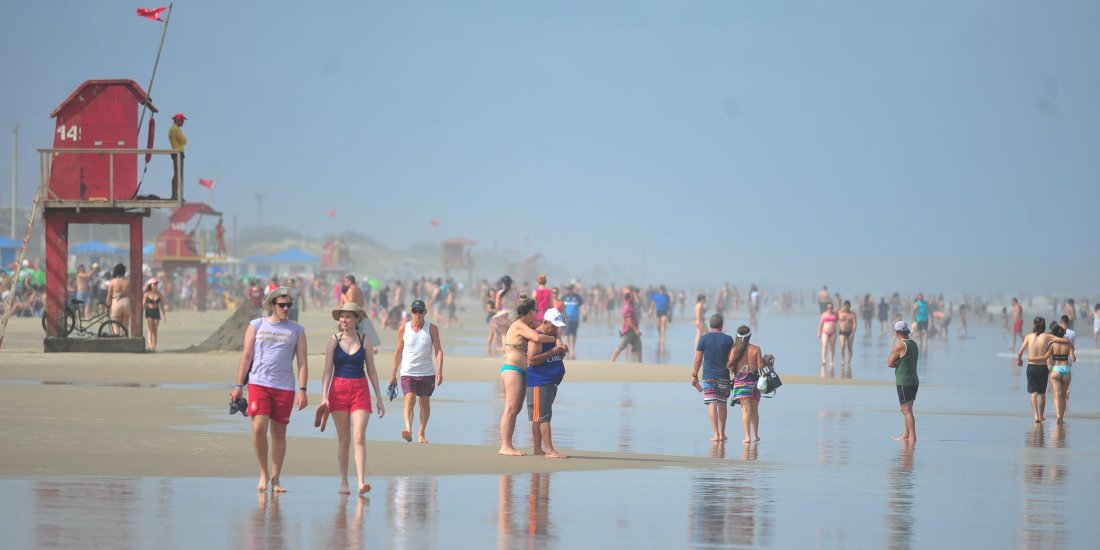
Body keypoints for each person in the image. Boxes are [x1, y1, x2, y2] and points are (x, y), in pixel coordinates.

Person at [228, 287, 309, 492]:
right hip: (258, 382)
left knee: (279, 433)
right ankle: (263, 473)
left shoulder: (297, 330)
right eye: (281, 305)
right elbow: (246, 356)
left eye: (289, 305)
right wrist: (238, 385)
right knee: (258, 428)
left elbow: (302, 362)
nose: (285, 308)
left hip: (285, 387)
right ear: (272, 305)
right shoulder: (257, 325)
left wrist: (303, 389)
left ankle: (276, 479)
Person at [320, 302, 385, 495]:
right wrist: (324, 396)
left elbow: (372, 371)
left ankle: (361, 482)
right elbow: (327, 370)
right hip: (338, 390)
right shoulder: (333, 340)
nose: (344, 320)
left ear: (357, 319)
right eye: (342, 316)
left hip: (360, 390)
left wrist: (379, 398)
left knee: (358, 436)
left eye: (348, 316)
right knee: (344, 439)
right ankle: (344, 482)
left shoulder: (365, 340)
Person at [499, 294, 556, 456]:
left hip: (523, 371)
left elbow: (545, 328)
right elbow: (537, 337)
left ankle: (509, 444)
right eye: (535, 311)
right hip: (512, 369)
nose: (537, 314)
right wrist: (553, 339)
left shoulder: (530, 324)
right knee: (510, 408)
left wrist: (554, 335)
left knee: (516, 409)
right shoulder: (518, 325)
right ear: (530, 312)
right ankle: (505, 446)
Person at [389, 300, 443, 443]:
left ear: (425, 312)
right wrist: (393, 374)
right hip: (407, 372)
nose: (417, 314)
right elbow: (398, 352)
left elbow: (438, 351)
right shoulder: (403, 328)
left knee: (424, 403)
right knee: (409, 399)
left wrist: (439, 371)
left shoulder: (432, 329)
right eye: (415, 311)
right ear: (411, 312)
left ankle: (421, 433)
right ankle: (408, 429)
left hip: (427, 373)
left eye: (420, 311)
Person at [526, 307, 570, 458]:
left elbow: (555, 358)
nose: (556, 329)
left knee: (540, 416)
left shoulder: (552, 335)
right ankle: (549, 450)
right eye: (554, 325)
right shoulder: (537, 336)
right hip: (539, 381)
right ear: (545, 322)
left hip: (550, 382)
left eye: (558, 326)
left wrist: (561, 351)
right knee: (544, 416)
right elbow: (531, 360)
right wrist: (552, 352)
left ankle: (538, 449)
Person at [692, 314, 734, 443]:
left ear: (710, 325)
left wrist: (695, 373)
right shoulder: (728, 339)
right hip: (723, 376)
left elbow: (698, 359)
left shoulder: (704, 339)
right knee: (722, 404)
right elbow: (732, 359)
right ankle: (722, 433)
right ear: (722, 325)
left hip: (709, 376)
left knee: (711, 404)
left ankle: (715, 435)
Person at [727, 325, 763, 444]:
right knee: (754, 411)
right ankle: (756, 436)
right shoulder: (756, 349)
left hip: (740, 382)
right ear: (750, 336)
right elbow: (760, 367)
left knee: (745, 411)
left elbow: (730, 366)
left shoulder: (734, 350)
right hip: (753, 383)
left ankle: (747, 437)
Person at [1017, 317, 1055, 423]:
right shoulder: (1047, 336)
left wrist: (1019, 361)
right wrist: (1068, 343)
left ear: (1034, 324)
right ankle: (1041, 415)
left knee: (1033, 392)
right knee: (1042, 393)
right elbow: (1059, 339)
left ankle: (1035, 416)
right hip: (1042, 367)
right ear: (1044, 326)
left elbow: (1020, 352)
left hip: (1032, 367)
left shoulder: (1029, 336)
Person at [886, 321, 919, 443]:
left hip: (904, 381)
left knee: (905, 410)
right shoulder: (914, 344)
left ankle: (912, 437)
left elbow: (889, 363)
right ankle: (906, 434)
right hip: (914, 380)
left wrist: (896, 362)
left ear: (897, 332)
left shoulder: (900, 345)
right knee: (908, 409)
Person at [1046, 322, 1076, 424]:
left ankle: (1058, 415)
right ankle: (1062, 417)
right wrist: (1071, 349)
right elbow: (1073, 359)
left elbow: (1048, 357)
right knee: (1063, 396)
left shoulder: (1052, 344)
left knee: (1056, 395)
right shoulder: (1068, 343)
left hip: (1056, 369)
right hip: (1066, 369)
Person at [343, 274, 381, 348]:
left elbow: (350, 304)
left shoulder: (351, 289)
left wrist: (344, 296)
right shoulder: (358, 289)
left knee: (356, 333)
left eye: (345, 282)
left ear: (350, 281)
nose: (344, 283)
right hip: (359, 312)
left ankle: (362, 347)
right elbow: (363, 302)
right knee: (361, 332)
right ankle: (369, 347)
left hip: (354, 314)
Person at [610, 290, 642, 363]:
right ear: (628, 299)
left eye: (634, 297)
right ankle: (612, 359)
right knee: (623, 345)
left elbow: (639, 304)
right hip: (628, 330)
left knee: (638, 346)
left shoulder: (632, 306)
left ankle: (640, 362)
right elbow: (628, 321)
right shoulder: (626, 308)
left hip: (634, 330)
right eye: (632, 298)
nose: (634, 299)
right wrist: (636, 329)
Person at [105, 263, 130, 336]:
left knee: (116, 325)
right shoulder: (128, 281)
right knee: (125, 325)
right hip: (126, 302)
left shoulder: (113, 281)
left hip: (116, 302)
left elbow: (109, 295)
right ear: (124, 272)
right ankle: (125, 341)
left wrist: (108, 306)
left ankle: (117, 339)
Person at [142, 278, 167, 352]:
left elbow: (162, 305)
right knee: (150, 330)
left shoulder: (159, 294)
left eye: (156, 283)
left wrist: (164, 315)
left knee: (155, 330)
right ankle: (150, 346)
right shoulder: (146, 294)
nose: (155, 285)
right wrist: (141, 314)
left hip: (156, 311)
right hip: (149, 311)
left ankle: (154, 347)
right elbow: (143, 304)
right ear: (150, 285)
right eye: (154, 283)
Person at [560, 285, 584, 359]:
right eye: (567, 289)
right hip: (566, 319)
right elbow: (559, 306)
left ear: (572, 290)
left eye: (569, 289)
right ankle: (568, 349)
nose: (568, 291)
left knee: (574, 334)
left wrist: (585, 312)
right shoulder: (563, 297)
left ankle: (573, 348)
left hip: (575, 319)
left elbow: (582, 305)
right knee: (567, 334)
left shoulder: (577, 297)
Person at [168, 113, 187, 200]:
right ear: (178, 120)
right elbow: (184, 141)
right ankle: (176, 195)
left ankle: (177, 195)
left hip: (177, 152)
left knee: (178, 174)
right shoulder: (175, 129)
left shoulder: (174, 129)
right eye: (182, 120)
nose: (183, 122)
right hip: (177, 153)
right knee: (178, 174)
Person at [817, 302, 838, 374]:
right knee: (824, 346)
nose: (830, 309)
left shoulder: (835, 314)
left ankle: (831, 361)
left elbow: (839, 321)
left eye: (831, 307)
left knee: (832, 348)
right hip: (825, 332)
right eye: (829, 308)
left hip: (833, 332)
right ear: (826, 308)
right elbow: (820, 324)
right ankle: (823, 360)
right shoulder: (823, 315)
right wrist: (819, 333)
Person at [650, 285, 671, 354]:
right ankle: (660, 334)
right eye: (661, 290)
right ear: (659, 290)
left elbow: (669, 305)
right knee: (658, 325)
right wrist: (651, 310)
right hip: (658, 311)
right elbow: (653, 303)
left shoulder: (667, 296)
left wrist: (670, 312)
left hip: (665, 311)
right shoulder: (656, 296)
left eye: (663, 290)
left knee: (664, 322)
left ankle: (663, 336)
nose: (662, 291)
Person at [837, 300, 857, 372]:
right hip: (842, 331)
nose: (847, 307)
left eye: (848, 306)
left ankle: (849, 361)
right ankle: (842, 360)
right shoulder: (840, 313)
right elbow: (835, 317)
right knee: (842, 346)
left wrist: (853, 333)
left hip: (850, 332)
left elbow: (855, 324)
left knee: (849, 347)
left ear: (850, 306)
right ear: (844, 306)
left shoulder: (852, 314)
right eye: (845, 306)